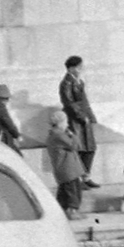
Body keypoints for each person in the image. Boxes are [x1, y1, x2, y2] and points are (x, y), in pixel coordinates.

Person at [59, 56, 99, 187]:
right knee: (79, 150)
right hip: (75, 121)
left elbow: (85, 102)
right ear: (71, 68)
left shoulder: (79, 82)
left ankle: (86, 176)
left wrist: (91, 117)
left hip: (83, 121)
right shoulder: (66, 83)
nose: (80, 69)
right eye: (78, 67)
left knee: (90, 149)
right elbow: (69, 103)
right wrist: (82, 117)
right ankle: (79, 179)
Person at [45, 110, 86, 219]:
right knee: (73, 191)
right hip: (67, 169)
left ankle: (61, 211)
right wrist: (72, 134)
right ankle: (72, 212)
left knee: (64, 192)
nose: (67, 124)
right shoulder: (58, 135)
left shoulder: (55, 134)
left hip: (66, 169)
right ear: (59, 123)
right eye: (65, 122)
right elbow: (75, 145)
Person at [0, 84, 26, 151]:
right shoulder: (0, 109)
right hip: (4, 136)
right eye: (7, 98)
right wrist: (17, 135)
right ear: (3, 98)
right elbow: (9, 124)